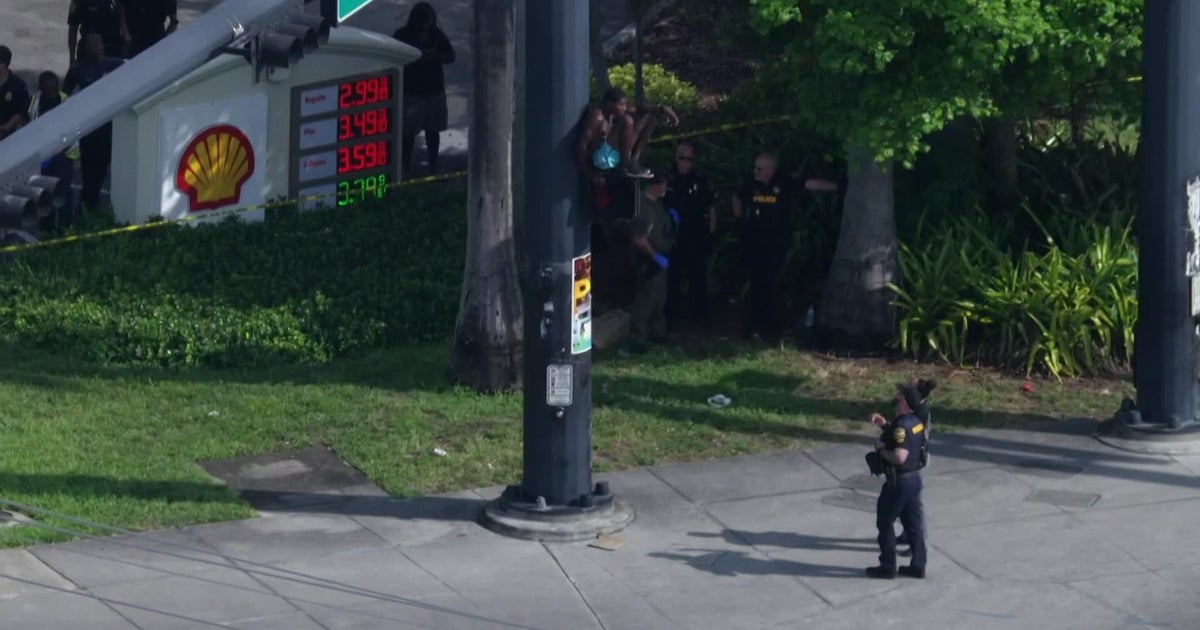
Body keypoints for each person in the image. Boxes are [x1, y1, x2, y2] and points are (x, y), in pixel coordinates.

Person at [866, 384, 930, 580]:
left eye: (899, 399)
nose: (896, 402)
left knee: (885, 521)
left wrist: (881, 450)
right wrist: (885, 425)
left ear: (905, 403)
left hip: (899, 482)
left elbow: (900, 455)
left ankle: (887, 566)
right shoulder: (917, 422)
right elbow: (904, 438)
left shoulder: (902, 425)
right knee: (913, 524)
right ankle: (918, 565)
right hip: (914, 481)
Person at [393, 2, 455, 178]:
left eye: (429, 22)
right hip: (412, 93)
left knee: (433, 132)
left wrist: (435, 56)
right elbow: (391, 53)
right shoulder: (403, 35)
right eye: (423, 22)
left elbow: (451, 55)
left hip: (434, 92)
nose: (426, 26)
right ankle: (405, 167)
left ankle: (433, 166)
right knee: (408, 135)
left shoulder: (436, 35)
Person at [64, 34, 124, 213]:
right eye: (93, 45)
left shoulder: (115, 65)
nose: (98, 47)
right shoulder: (77, 71)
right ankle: (87, 205)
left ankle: (91, 201)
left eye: (99, 44)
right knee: (89, 170)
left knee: (103, 166)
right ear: (86, 48)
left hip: (108, 125)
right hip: (88, 128)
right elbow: (65, 97)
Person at [663, 140, 716, 330]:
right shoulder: (667, 177)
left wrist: (711, 231)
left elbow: (711, 206)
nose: (684, 162)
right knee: (672, 278)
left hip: (695, 235)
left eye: (689, 159)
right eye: (681, 158)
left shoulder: (701, 179)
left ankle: (700, 317)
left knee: (697, 276)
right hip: (672, 236)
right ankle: (670, 318)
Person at [578, 87, 680, 181]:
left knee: (649, 118)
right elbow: (581, 146)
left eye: (625, 105)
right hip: (601, 159)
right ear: (609, 104)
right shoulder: (597, 117)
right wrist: (591, 174)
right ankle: (627, 165)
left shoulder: (614, 113)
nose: (624, 108)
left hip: (613, 155)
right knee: (626, 120)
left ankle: (634, 161)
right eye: (621, 105)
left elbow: (640, 109)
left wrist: (663, 109)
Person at [627, 170, 677, 353]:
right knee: (645, 299)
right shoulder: (643, 206)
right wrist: (654, 256)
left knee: (659, 297)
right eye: (664, 183)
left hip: (661, 257)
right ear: (655, 184)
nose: (666, 187)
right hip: (647, 259)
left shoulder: (659, 204)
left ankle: (658, 333)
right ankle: (637, 339)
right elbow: (639, 238)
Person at [28, 71, 80, 226]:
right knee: (43, 194)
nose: (52, 94)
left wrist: (57, 152)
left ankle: (65, 228)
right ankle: (46, 228)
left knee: (62, 194)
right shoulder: (35, 101)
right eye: (48, 91)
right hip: (44, 157)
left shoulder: (67, 103)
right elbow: (31, 124)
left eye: (54, 90)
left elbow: (72, 132)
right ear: (41, 89)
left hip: (63, 156)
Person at [0, 46, 31, 141]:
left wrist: (6, 127)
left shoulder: (17, 86)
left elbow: (20, 112)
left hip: (8, 135)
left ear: (3, 64)